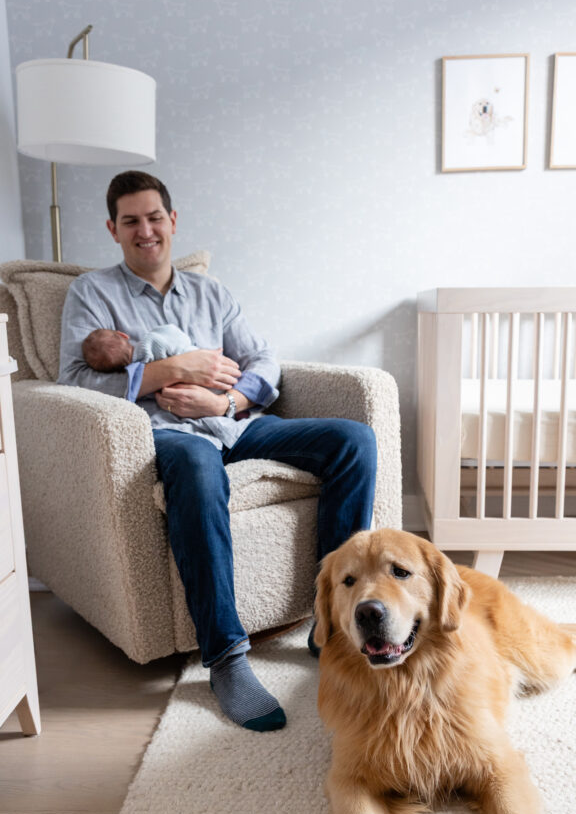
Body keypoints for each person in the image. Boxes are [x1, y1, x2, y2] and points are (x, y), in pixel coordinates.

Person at [58, 170, 377, 733]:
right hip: (166, 436)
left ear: (172, 221)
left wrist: (225, 401)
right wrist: (174, 370)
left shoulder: (212, 294)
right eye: (130, 220)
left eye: (154, 217)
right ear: (113, 229)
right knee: (198, 469)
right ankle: (227, 658)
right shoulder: (92, 294)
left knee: (353, 440)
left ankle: (330, 623)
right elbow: (75, 382)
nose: (145, 230)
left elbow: (265, 364)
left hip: (233, 424)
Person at [81, 324, 246, 446]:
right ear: (123, 335)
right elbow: (175, 334)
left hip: (203, 396)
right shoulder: (153, 340)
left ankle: (230, 413)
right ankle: (235, 411)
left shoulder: (138, 382)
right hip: (220, 376)